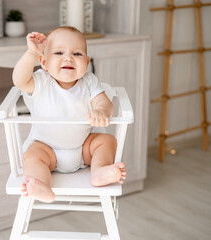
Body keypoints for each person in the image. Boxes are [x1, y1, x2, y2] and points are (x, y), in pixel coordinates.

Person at [12, 26, 126, 203]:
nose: (68, 58)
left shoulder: (89, 81)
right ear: (44, 62)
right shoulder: (42, 81)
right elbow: (19, 81)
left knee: (107, 141)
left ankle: (99, 171)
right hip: (46, 149)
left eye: (77, 54)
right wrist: (32, 53)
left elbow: (104, 102)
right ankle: (41, 185)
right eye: (58, 52)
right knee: (31, 155)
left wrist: (101, 111)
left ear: (87, 63)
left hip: (82, 148)